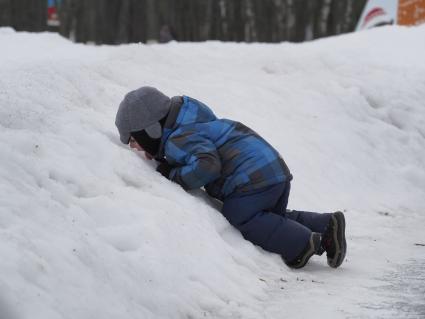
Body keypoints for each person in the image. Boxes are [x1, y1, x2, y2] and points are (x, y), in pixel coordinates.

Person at [115, 86, 347, 269]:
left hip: (252, 178)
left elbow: (207, 165)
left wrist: (173, 174)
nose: (135, 148)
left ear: (152, 130)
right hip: (272, 171)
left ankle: (302, 245)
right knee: (270, 219)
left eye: (134, 141)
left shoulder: (178, 139)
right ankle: (326, 226)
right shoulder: (193, 122)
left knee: (240, 216)